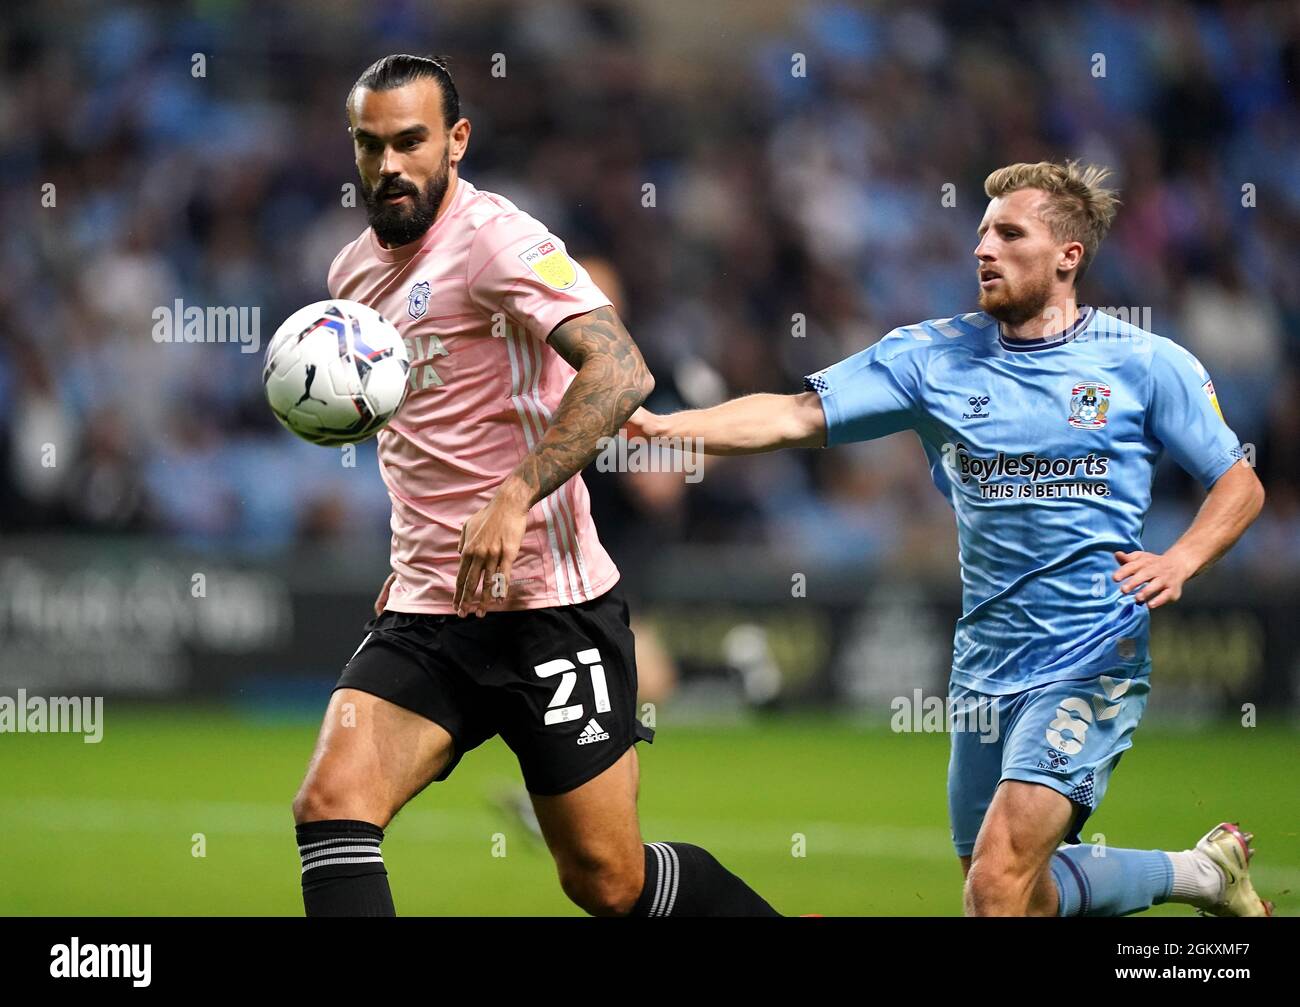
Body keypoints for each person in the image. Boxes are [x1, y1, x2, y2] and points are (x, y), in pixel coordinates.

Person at [630, 161, 1270, 917]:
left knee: (995, 888)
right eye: (981, 234)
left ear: (1069, 255)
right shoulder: (931, 357)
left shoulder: (1145, 361)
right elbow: (798, 414)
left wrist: (1182, 557)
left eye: (1009, 232)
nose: (984, 249)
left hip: (1091, 656)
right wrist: (666, 427)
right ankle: (1200, 874)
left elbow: (1239, 483)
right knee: (1013, 897)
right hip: (984, 667)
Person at [291, 54, 778, 918]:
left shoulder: (495, 239)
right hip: (428, 610)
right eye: (372, 146)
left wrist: (516, 492)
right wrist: (412, 551)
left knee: (606, 880)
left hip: (549, 608)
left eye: (411, 141)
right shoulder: (350, 278)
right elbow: (416, 430)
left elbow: (622, 368)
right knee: (331, 806)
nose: (391, 164)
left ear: (457, 140)